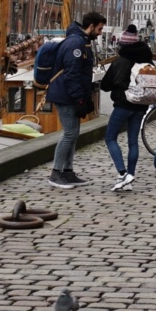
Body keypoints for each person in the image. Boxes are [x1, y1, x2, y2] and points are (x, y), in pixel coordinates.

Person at [46, 11, 106, 189]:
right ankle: (56, 173)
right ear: (91, 26)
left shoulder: (81, 42)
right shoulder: (76, 45)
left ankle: (68, 172)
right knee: (70, 133)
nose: (101, 32)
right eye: (100, 29)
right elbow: (72, 75)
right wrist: (80, 100)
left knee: (73, 134)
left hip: (69, 94)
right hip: (65, 96)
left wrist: (83, 97)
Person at [100, 24, 154, 191]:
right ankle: (130, 175)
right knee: (133, 142)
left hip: (124, 104)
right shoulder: (147, 60)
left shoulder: (120, 61)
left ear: (122, 44)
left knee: (110, 137)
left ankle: (122, 173)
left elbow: (105, 85)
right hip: (141, 105)